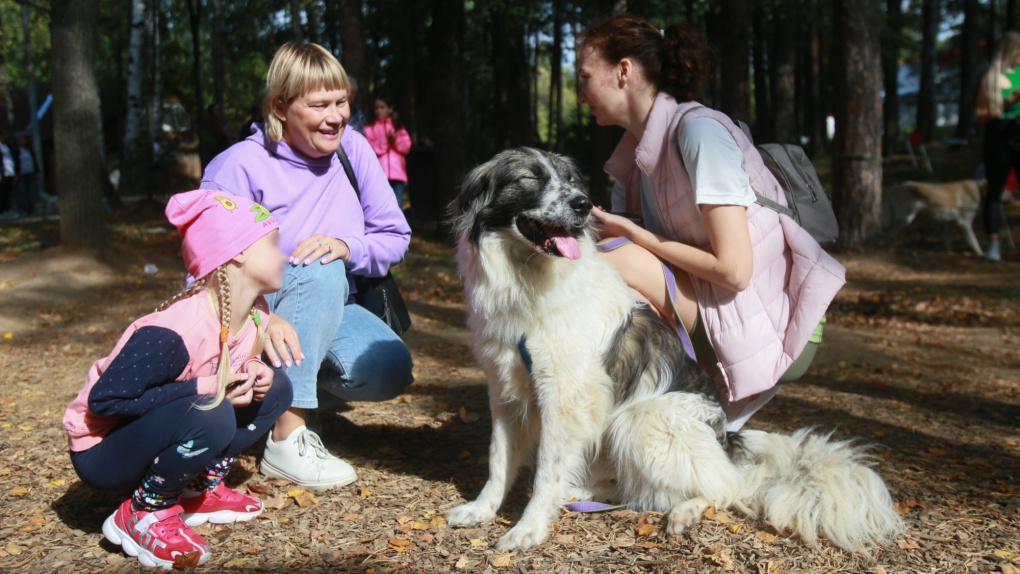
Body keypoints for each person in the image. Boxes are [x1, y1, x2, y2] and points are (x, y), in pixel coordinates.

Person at [577, 15, 846, 431]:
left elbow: (735, 271)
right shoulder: (634, 160)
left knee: (617, 261)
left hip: (776, 319)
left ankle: (631, 420)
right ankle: (627, 425)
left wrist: (636, 235)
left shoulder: (700, 135)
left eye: (586, 77)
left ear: (623, 71)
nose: (580, 95)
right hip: (716, 305)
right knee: (591, 262)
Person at [201, 42, 413, 490]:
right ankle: (287, 437)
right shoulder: (239, 165)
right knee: (317, 267)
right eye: (319, 105)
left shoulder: (352, 150)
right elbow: (206, 270)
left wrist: (348, 246)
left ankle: (288, 392)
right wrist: (263, 314)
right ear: (280, 105)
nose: (336, 116)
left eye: (342, 103)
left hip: (332, 304)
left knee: (389, 366)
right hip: (253, 316)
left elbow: (394, 235)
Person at [62, 189, 294, 569]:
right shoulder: (175, 332)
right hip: (105, 454)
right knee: (210, 410)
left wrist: (255, 371)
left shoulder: (255, 313)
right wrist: (204, 389)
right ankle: (143, 510)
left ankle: (196, 489)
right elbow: (105, 402)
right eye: (272, 244)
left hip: (164, 429)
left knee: (277, 387)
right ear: (238, 252)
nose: (284, 254)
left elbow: (237, 362)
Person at [975, 30, 1020, 261]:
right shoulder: (992, 79)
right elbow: (982, 116)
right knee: (995, 191)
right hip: (998, 138)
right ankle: (993, 245)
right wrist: (1009, 101)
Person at [364, 93, 412, 207]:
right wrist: (387, 143)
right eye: (376, 108)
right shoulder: (370, 128)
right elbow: (370, 148)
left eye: (382, 107)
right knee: (380, 205)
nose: (378, 111)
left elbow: (406, 147)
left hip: (398, 174)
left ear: (390, 109)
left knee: (397, 205)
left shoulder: (398, 127)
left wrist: (395, 141)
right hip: (379, 174)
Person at [15, 135, 36, 217]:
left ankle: (31, 209)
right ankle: (22, 210)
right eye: (20, 140)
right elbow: (15, 163)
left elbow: (34, 161)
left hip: (30, 173)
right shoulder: (16, 151)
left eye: (23, 140)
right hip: (21, 174)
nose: (22, 142)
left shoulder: (29, 150)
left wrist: (37, 172)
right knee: (21, 192)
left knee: (31, 191)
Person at [0, 131, 17, 217]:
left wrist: (15, 173)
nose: (4, 137)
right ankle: (2, 211)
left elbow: (12, 159)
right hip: (3, 173)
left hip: (10, 172)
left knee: (8, 193)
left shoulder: (7, 146)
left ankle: (7, 209)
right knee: (1, 193)